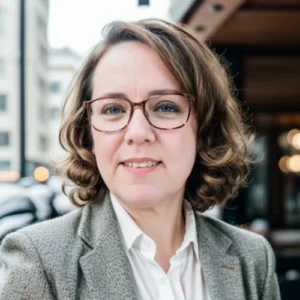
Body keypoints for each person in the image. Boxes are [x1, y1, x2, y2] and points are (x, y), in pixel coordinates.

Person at [0, 19, 281, 300]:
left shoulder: (252, 259)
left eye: (165, 107)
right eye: (113, 109)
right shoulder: (39, 261)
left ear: (205, 128)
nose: (137, 133)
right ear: (89, 134)